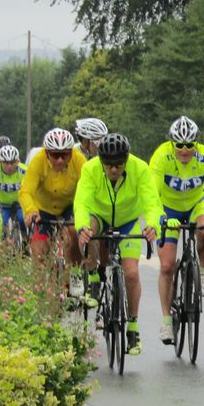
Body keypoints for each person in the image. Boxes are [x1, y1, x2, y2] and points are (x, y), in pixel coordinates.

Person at [75, 132, 162, 356]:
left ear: (127, 159)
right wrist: (81, 226)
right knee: (88, 231)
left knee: (131, 273)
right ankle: (93, 276)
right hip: (100, 215)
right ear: (101, 161)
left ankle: (133, 327)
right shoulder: (90, 169)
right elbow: (82, 201)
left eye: (119, 164)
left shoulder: (140, 168)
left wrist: (153, 225)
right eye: (109, 165)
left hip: (128, 221)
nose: (114, 169)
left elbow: (152, 201)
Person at [150, 115, 204, 344]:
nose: (184, 150)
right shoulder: (161, 156)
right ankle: (166, 322)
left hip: (195, 205)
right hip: (168, 209)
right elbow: (151, 193)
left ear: (197, 143)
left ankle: (202, 271)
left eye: (189, 145)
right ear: (172, 143)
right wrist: (161, 218)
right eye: (179, 145)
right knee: (166, 266)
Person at [19, 127, 87, 297]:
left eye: (64, 154)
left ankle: (76, 276)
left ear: (71, 153)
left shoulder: (79, 160)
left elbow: (88, 189)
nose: (59, 160)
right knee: (39, 251)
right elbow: (26, 191)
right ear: (46, 153)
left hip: (69, 206)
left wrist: (83, 214)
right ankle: (42, 292)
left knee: (74, 232)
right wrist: (30, 211)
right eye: (54, 155)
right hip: (43, 209)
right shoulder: (38, 161)